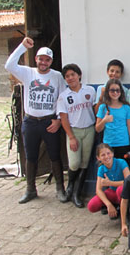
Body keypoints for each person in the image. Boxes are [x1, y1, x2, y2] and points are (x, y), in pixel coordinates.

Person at [5, 37, 67, 204]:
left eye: (47, 60)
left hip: (49, 122)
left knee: (55, 155)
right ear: (36, 59)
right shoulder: (28, 73)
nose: (43, 62)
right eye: (41, 59)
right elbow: (9, 65)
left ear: (51, 61)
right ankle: (30, 189)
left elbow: (62, 99)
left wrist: (59, 121)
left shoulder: (57, 76)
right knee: (30, 156)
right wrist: (22, 47)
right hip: (31, 121)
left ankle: (60, 189)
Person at [57, 63, 96, 208]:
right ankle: (70, 187)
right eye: (67, 76)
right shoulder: (63, 96)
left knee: (85, 163)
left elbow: (95, 109)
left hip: (89, 129)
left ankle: (76, 194)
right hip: (74, 131)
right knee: (74, 163)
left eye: (73, 74)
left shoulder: (90, 90)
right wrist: (71, 137)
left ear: (79, 75)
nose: (70, 78)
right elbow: (63, 118)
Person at [95, 79, 130, 161]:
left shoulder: (126, 107)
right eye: (112, 90)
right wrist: (104, 120)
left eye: (118, 90)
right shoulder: (103, 107)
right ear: (107, 92)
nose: (115, 93)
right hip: (108, 145)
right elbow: (97, 129)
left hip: (124, 144)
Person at [87, 143, 130, 218]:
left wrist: (110, 183)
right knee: (92, 205)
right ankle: (113, 207)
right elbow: (98, 190)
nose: (106, 157)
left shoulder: (121, 162)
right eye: (103, 155)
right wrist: (108, 204)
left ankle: (126, 213)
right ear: (98, 158)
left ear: (112, 154)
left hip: (125, 193)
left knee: (121, 189)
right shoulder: (101, 168)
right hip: (113, 193)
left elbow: (129, 182)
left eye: (108, 153)